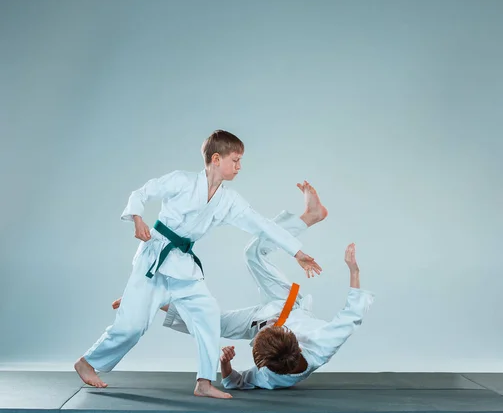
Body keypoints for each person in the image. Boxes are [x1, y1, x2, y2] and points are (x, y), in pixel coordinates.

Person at [74, 130, 322, 399]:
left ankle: (204, 381)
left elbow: (261, 224)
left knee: (207, 316)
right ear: (217, 159)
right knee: (133, 327)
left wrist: (297, 252)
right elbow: (143, 192)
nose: (240, 167)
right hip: (155, 256)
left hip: (183, 262)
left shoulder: (228, 201)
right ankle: (87, 363)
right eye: (236, 160)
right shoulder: (182, 181)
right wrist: (137, 218)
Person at [114, 182, 373, 390]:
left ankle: (154, 301)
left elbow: (234, 382)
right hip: (288, 306)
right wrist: (354, 270)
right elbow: (352, 315)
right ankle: (311, 216)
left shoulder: (269, 377)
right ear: (297, 342)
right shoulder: (324, 343)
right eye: (274, 331)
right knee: (253, 253)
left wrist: (225, 365)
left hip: (259, 319)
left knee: (211, 323)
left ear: (263, 364)